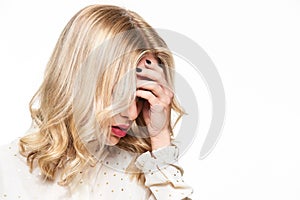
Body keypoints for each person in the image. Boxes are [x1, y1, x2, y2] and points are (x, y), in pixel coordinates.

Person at [0, 4, 193, 200]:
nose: (132, 113)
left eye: (140, 98)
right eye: (119, 94)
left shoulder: (142, 173)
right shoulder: (7, 171)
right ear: (79, 80)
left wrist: (161, 139)